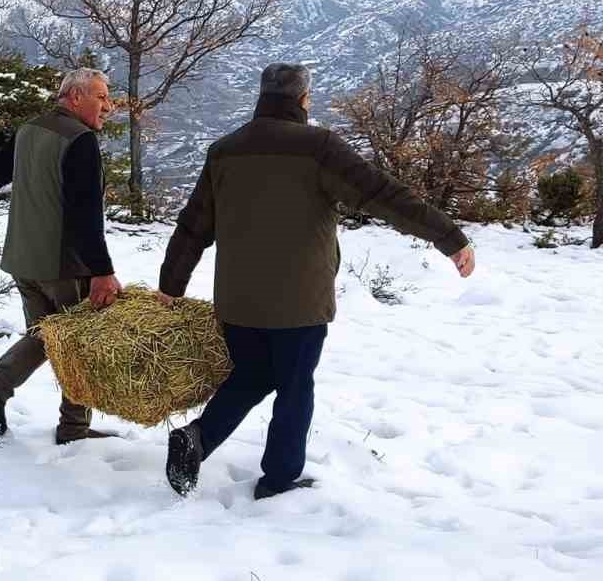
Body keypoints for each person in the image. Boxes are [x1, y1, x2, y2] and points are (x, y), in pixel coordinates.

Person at [158, 62, 476, 500]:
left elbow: (193, 226)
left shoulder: (226, 150)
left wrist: (170, 286)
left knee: (251, 375)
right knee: (293, 386)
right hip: (299, 302)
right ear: (303, 99)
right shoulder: (318, 148)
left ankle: (198, 438)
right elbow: (384, 195)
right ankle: (280, 479)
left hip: (238, 301)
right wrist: (448, 236)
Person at [0, 68, 123, 445]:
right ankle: (73, 428)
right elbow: (86, 214)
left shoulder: (31, 128)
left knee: (47, 337)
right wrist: (101, 271)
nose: (108, 106)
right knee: (79, 342)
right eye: (101, 97)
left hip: (24, 259)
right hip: (64, 264)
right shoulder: (80, 140)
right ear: (75, 96)